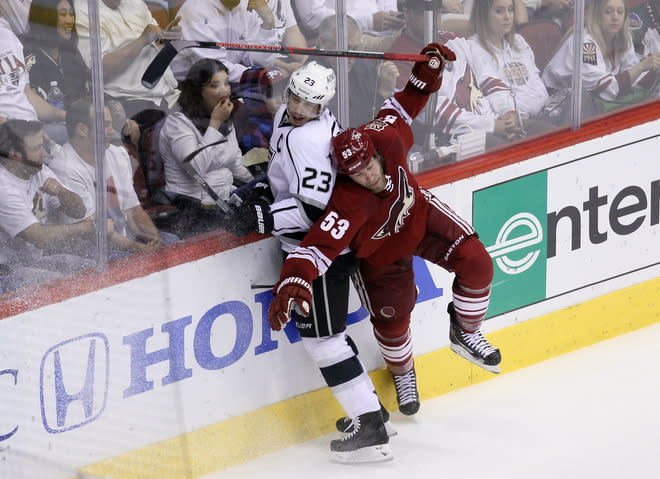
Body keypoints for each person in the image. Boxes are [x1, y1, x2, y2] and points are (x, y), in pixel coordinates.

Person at [267, 43, 503, 460]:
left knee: (477, 261)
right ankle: (398, 379)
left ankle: (464, 330)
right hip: (380, 252)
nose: (367, 175)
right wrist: (296, 274)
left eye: (369, 166)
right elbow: (323, 239)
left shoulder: (385, 136)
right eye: (355, 172)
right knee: (393, 323)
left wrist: (426, 75)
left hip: (418, 216)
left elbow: (404, 104)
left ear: (377, 151)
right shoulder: (349, 199)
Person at [222, 59, 401, 462]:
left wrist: (263, 218)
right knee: (330, 335)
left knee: (323, 341)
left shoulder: (311, 140)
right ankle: (370, 411)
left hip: (320, 250)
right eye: (296, 97)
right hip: (325, 245)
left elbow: (315, 211)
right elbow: (282, 173)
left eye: (310, 104)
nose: (300, 107)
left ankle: (370, 427)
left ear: (323, 108)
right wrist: (259, 189)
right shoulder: (290, 115)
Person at [48, 97, 174, 257]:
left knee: (172, 242)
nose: (112, 130)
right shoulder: (65, 168)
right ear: (82, 130)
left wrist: (156, 241)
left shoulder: (117, 154)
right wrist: (140, 249)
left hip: (124, 240)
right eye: (106, 125)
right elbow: (93, 232)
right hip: (90, 250)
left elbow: (133, 210)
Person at [390, 0, 523, 149]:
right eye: (425, 12)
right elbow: (432, 112)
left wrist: (507, 112)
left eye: (437, 11)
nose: (433, 17)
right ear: (407, 14)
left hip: (495, 122)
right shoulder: (400, 59)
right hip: (454, 139)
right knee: (509, 150)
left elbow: (488, 77)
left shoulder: (453, 39)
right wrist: (491, 125)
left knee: (541, 131)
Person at [159, 59, 254, 236]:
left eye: (226, 83)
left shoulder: (224, 120)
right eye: (215, 85)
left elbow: (235, 163)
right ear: (198, 92)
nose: (225, 90)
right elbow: (195, 168)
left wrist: (258, 182)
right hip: (191, 209)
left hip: (223, 202)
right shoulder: (177, 123)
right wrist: (215, 124)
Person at [0, 119, 97, 292]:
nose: (44, 153)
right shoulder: (3, 186)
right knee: (66, 287)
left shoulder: (37, 169)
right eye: (37, 148)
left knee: (93, 269)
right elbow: (39, 238)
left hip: (35, 260)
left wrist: (61, 192)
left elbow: (78, 211)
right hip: (7, 270)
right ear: (14, 155)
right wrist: (88, 228)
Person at [542, 0, 660, 113]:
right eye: (608, 12)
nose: (615, 17)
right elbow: (603, 88)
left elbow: (632, 78)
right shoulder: (585, 43)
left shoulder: (624, 37)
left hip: (592, 104)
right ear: (597, 15)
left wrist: (654, 70)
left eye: (620, 12)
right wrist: (641, 67)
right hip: (558, 108)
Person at [74, 0, 181, 118]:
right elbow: (99, 72)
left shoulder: (136, 3)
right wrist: (142, 40)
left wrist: (166, 38)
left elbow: (155, 44)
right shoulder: (85, 10)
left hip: (169, 95)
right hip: (130, 100)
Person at [468, 0, 552, 131]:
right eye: (499, 11)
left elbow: (538, 86)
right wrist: (519, 114)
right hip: (513, 122)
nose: (507, 17)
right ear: (483, 14)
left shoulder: (519, 41)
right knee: (551, 131)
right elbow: (494, 97)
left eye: (510, 9)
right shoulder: (473, 48)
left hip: (542, 112)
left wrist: (541, 107)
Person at [315, 15, 400, 126]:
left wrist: (388, 89)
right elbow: (346, 125)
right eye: (344, 48)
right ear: (323, 42)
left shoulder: (363, 66)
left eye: (355, 48)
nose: (350, 56)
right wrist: (383, 93)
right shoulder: (312, 76)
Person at [172, 0, 281, 83]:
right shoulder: (196, 10)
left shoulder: (245, 7)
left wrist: (268, 24)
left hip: (226, 85)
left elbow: (257, 63)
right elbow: (214, 69)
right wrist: (258, 75)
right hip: (185, 89)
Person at [0, 14, 67, 128]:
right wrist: (19, 132)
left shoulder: (8, 36)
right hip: (11, 133)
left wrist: (67, 116)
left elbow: (28, 95)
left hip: (33, 126)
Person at [23, 0, 90, 108]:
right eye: (63, 14)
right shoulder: (27, 54)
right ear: (45, 18)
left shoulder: (71, 52)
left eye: (71, 13)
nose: (69, 20)